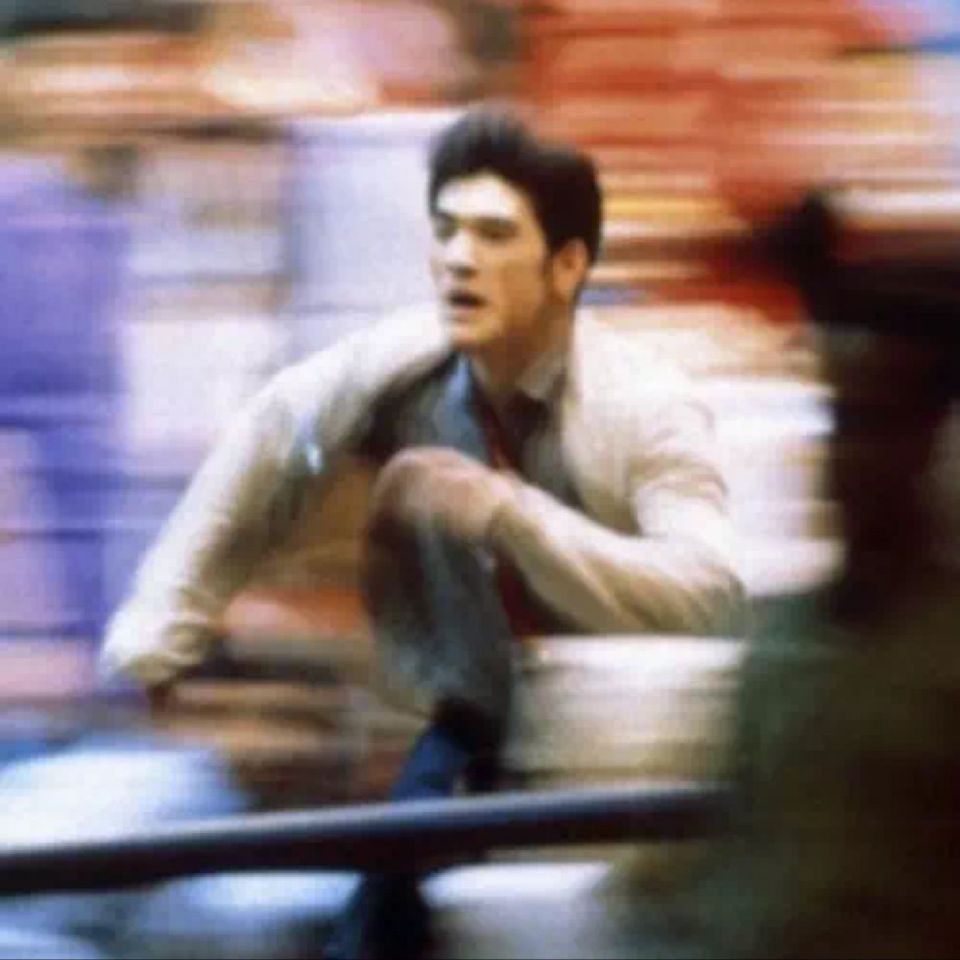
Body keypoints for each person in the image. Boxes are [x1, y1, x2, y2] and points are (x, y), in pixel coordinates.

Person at [100, 110, 744, 958]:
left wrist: (506, 513)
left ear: (567, 266)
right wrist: (158, 637)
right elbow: (266, 442)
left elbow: (707, 593)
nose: (459, 258)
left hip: (627, 742)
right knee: (380, 914)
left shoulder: (647, 406)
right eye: (446, 231)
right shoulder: (397, 364)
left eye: (494, 234)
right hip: (472, 722)